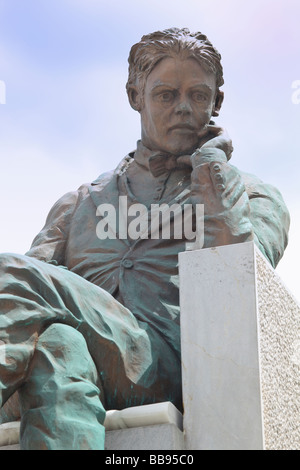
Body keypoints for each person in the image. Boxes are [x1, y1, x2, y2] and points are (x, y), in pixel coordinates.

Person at [0, 28, 290, 450]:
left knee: (12, 271)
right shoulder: (78, 203)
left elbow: (246, 280)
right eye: (166, 95)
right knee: (58, 347)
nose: (184, 108)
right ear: (135, 95)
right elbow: (21, 309)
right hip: (91, 362)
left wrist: (211, 174)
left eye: (198, 95)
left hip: (166, 367)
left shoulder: (252, 195)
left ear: (216, 103)